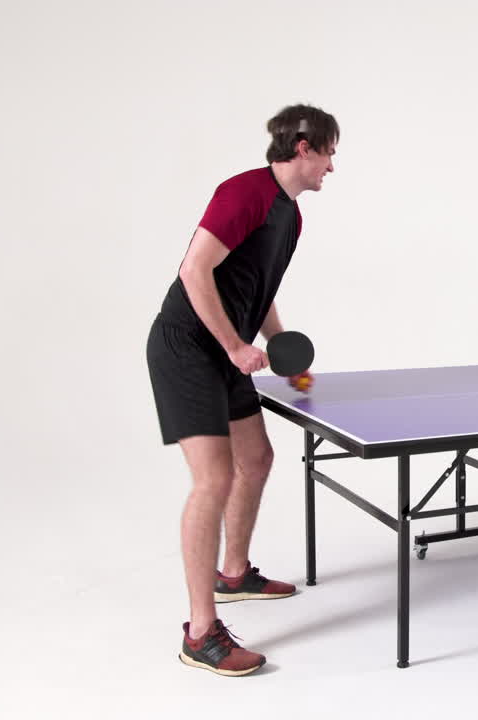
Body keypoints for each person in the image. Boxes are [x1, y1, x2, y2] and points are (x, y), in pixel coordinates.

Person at [146, 104, 338, 675]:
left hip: (224, 350)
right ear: (302, 146)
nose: (332, 165)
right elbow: (194, 271)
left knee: (256, 459)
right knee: (214, 479)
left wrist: (282, 349)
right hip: (187, 347)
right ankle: (200, 634)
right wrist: (234, 347)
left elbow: (258, 287)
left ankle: (234, 575)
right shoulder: (244, 193)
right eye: (328, 151)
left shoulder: (291, 216)